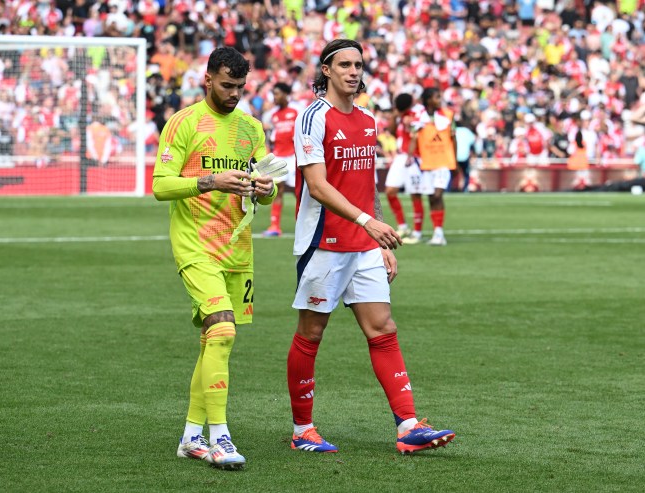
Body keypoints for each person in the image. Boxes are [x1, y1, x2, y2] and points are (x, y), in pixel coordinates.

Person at [287, 38, 456, 455]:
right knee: (311, 332)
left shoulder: (366, 119)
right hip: (323, 243)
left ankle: (408, 426)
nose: (353, 71)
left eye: (358, 64)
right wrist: (368, 222)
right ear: (326, 70)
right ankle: (301, 429)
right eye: (344, 64)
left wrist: (378, 238)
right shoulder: (312, 118)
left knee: (383, 328)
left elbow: (368, 186)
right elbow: (317, 185)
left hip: (363, 244)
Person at [152, 47, 279, 470]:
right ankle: (220, 436)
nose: (234, 94)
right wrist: (210, 181)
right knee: (223, 332)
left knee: (213, 340)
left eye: (241, 87)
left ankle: (191, 437)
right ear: (207, 79)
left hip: (238, 249)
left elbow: (269, 182)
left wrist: (266, 189)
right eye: (227, 85)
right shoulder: (184, 123)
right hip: (196, 246)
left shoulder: (251, 128)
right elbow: (161, 186)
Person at [409, 87, 457, 246]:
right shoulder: (418, 118)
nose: (439, 100)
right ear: (428, 100)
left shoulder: (448, 115)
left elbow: (453, 137)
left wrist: (455, 161)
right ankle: (438, 232)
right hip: (427, 162)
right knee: (430, 197)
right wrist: (411, 156)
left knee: (437, 195)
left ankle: (439, 232)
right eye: (437, 97)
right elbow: (413, 138)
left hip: (444, 161)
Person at [383, 92, 426, 241]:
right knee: (390, 191)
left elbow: (417, 133)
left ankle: (417, 233)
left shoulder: (419, 112)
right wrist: (395, 116)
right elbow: (393, 131)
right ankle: (403, 227)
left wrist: (410, 154)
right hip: (401, 156)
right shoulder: (401, 115)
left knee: (415, 194)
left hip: (414, 157)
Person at [262, 82, 299, 237]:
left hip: (294, 157)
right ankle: (274, 226)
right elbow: (268, 137)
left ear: (285, 94)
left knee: (300, 193)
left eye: (277, 94)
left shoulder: (297, 110)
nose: (274, 97)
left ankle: (302, 225)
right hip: (278, 157)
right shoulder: (272, 115)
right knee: (278, 191)